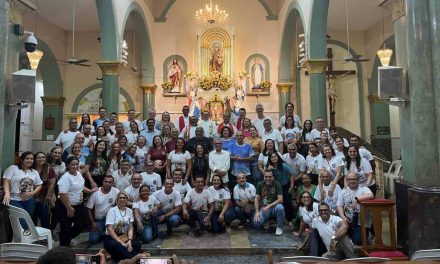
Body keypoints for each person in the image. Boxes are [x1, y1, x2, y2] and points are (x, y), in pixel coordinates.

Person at [57, 156, 97, 247]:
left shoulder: (78, 174)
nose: (75, 166)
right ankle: (64, 246)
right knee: (66, 227)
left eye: (76, 164)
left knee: (81, 225)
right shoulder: (65, 177)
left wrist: (90, 191)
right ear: (68, 165)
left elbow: (81, 187)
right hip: (65, 205)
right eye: (72, 164)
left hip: (79, 204)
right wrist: (68, 207)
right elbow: (63, 194)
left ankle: (66, 238)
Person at [2, 151, 42, 231]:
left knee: (27, 220)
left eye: (31, 159)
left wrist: (32, 193)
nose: (29, 160)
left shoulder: (34, 172)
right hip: (15, 200)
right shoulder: (13, 168)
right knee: (22, 222)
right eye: (27, 158)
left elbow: (39, 185)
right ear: (22, 159)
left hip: (30, 201)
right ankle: (28, 238)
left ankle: (24, 239)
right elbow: (6, 181)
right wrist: (7, 193)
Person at [336, 172, 374, 246]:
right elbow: (339, 205)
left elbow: (371, 195)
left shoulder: (363, 188)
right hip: (348, 220)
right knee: (342, 236)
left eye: (354, 179)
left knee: (357, 241)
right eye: (349, 179)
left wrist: (356, 199)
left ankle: (368, 235)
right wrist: (342, 216)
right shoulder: (344, 191)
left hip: (361, 221)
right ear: (346, 181)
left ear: (358, 180)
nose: (352, 181)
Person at [104, 191, 141, 263]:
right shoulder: (112, 211)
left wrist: (129, 240)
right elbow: (109, 229)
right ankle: (136, 257)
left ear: (127, 200)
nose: (122, 199)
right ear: (117, 200)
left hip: (124, 237)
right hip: (112, 238)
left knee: (136, 244)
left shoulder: (130, 211)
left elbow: (130, 227)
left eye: (124, 198)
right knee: (117, 246)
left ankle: (121, 260)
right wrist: (120, 242)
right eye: (120, 198)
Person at [86, 175, 119, 244]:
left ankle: (108, 233)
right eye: (105, 182)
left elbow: (121, 204)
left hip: (112, 219)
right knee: (93, 240)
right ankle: (102, 234)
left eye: (110, 182)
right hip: (99, 219)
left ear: (113, 184)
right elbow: (89, 208)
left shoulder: (116, 191)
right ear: (102, 182)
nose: (107, 183)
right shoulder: (95, 192)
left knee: (116, 237)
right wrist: (93, 223)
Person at [266, 152, 294, 227]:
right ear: (270, 159)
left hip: (285, 185)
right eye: (272, 157)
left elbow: (291, 175)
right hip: (274, 187)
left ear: (278, 157)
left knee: (287, 202)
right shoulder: (269, 167)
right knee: (274, 202)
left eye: (275, 156)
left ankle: (289, 220)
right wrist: (269, 170)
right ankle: (276, 219)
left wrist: (291, 185)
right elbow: (266, 178)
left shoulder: (284, 165)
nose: (274, 158)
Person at [253, 169, 285, 236]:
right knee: (256, 222)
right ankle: (267, 221)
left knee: (280, 207)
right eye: (266, 177)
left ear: (273, 177)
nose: (268, 178)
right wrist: (257, 211)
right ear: (264, 177)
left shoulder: (277, 184)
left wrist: (269, 206)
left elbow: (280, 199)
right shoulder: (260, 184)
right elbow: (256, 198)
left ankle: (279, 227)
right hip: (264, 209)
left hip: (274, 208)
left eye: (270, 176)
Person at [32, 152, 56, 229]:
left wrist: (48, 197)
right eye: (39, 157)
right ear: (35, 159)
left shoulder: (49, 168)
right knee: (32, 216)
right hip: (31, 196)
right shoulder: (31, 168)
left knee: (45, 216)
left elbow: (52, 183)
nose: (41, 159)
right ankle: (34, 236)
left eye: (43, 157)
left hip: (44, 197)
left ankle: (46, 235)